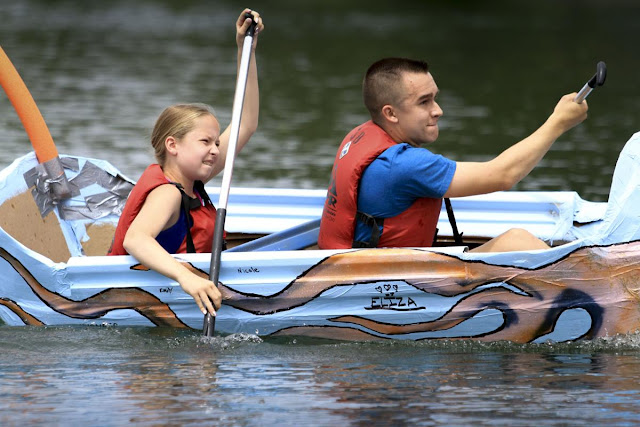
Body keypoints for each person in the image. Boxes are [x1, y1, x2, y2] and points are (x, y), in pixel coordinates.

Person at [318, 57, 588, 252]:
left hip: (360, 266)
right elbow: (503, 175)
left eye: (434, 98)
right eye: (424, 102)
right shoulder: (402, 165)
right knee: (517, 241)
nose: (438, 110)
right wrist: (558, 122)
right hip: (388, 285)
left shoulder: (361, 135)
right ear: (390, 113)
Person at [108, 9, 264, 317]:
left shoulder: (192, 180)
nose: (215, 150)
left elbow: (246, 123)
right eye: (205, 142)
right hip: (129, 300)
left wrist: (246, 50)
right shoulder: (166, 193)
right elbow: (136, 239)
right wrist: (186, 277)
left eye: (217, 142)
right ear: (173, 146)